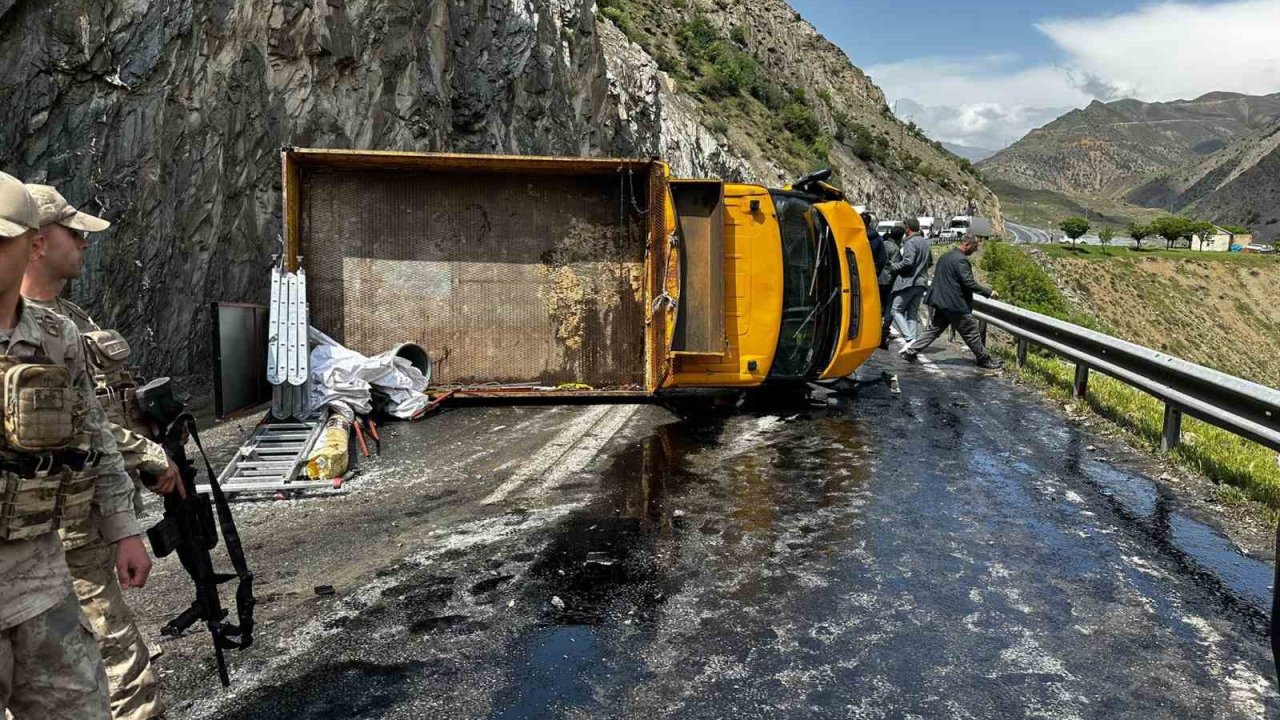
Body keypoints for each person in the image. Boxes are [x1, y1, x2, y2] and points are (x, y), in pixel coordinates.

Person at [22, 184, 180, 720]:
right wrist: (149, 457)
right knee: (114, 665)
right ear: (37, 242)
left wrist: (122, 525)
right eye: (74, 232)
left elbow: (97, 427)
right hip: (49, 530)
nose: (85, 243)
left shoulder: (64, 323)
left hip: (83, 518)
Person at [900, 235, 1004, 369]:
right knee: (971, 331)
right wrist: (989, 292)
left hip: (942, 302)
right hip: (955, 304)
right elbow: (968, 283)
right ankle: (984, 359)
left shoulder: (946, 256)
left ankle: (910, 352)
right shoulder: (961, 260)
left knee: (934, 330)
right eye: (975, 247)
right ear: (966, 244)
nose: (976, 250)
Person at [887, 217, 932, 344]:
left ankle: (909, 338)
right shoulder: (925, 242)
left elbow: (908, 262)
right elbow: (930, 262)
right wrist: (920, 269)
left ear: (907, 229)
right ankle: (913, 341)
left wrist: (894, 266)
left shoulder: (910, 242)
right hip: (921, 283)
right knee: (912, 311)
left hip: (908, 282)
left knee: (896, 310)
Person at [877, 225, 904, 349]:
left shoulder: (882, 244)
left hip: (876, 279)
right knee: (889, 307)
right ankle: (884, 331)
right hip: (888, 281)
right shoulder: (896, 249)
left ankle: (875, 328)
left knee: (878, 305)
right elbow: (894, 267)